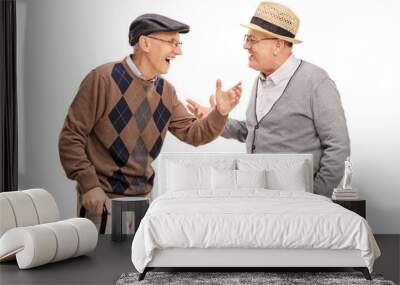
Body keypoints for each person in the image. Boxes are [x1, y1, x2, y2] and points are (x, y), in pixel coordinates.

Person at [59, 13, 241, 232]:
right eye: (172, 43)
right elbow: (71, 137)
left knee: (139, 265)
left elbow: (194, 134)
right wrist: (89, 185)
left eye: (179, 43)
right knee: (102, 263)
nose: (179, 51)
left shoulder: (166, 92)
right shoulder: (102, 79)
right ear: (145, 43)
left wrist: (220, 113)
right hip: (101, 200)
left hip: (144, 201)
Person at [186, 2, 350, 197]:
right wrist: (215, 117)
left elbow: (339, 148)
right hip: (259, 195)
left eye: (252, 39)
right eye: (247, 38)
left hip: (298, 201)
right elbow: (252, 131)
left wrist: (316, 196)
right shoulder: (261, 81)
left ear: (277, 45)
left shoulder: (316, 81)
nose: (245, 45)